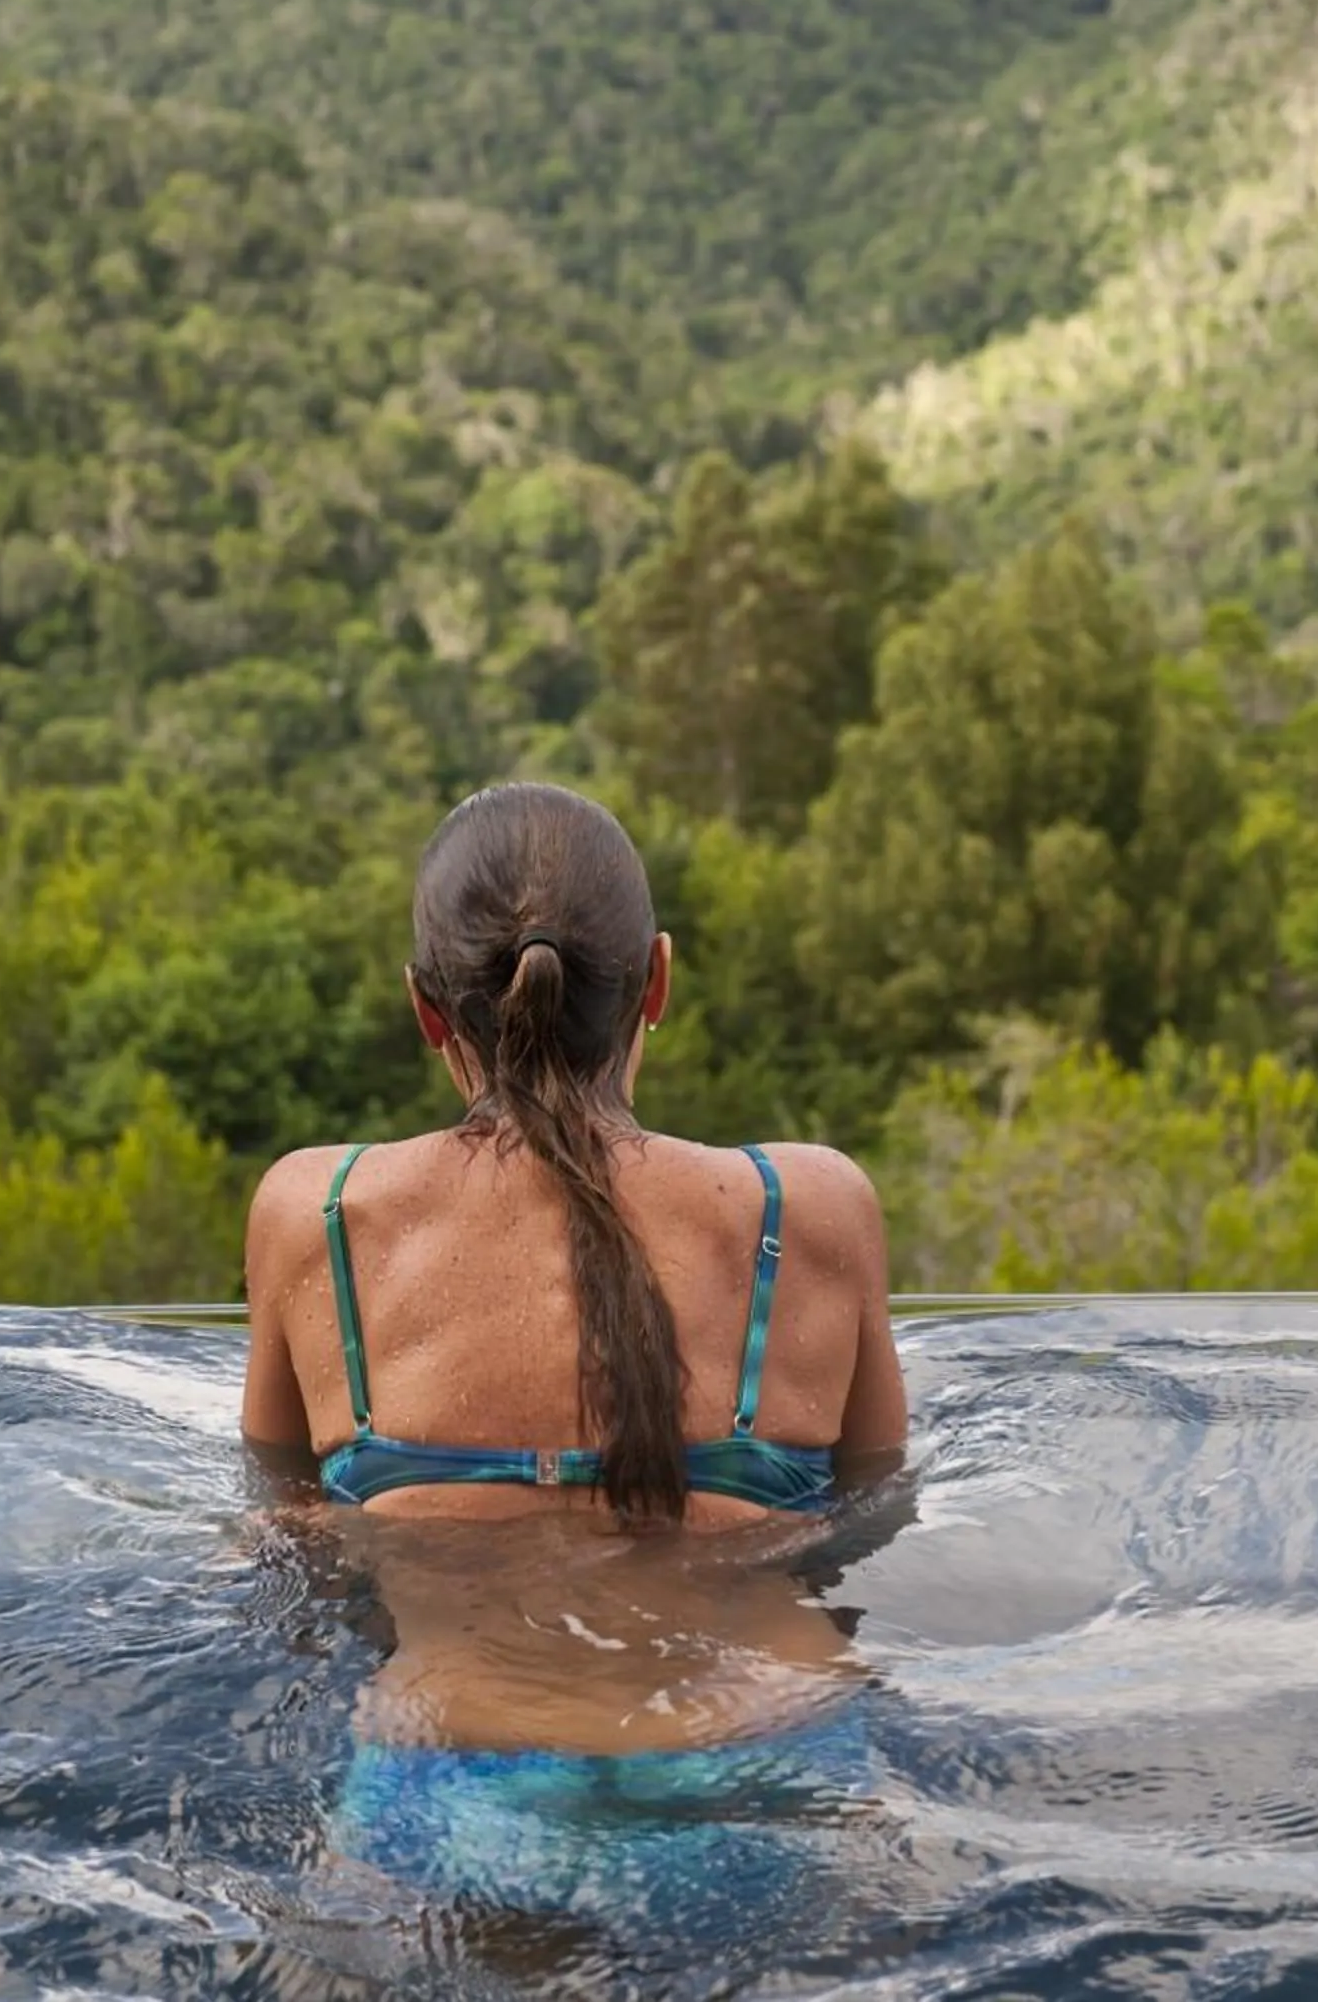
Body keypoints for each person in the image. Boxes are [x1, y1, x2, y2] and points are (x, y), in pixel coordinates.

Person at [241, 781, 907, 1931]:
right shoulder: (811, 1207)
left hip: (451, 1777)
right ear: (655, 979)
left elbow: (284, 1524)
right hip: (768, 1759)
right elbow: (873, 1511)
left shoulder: (320, 1213)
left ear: (424, 1011)